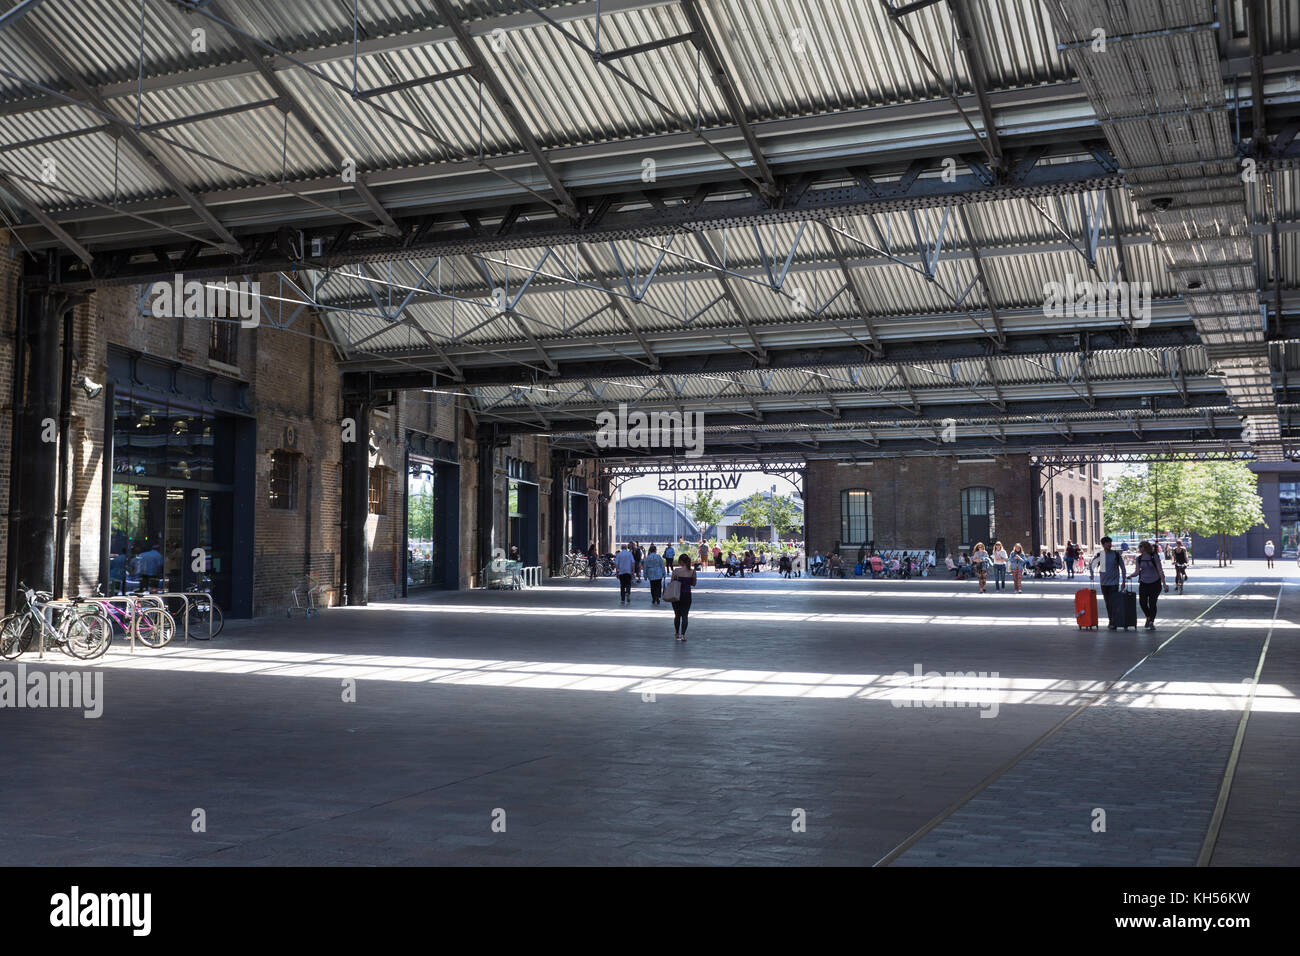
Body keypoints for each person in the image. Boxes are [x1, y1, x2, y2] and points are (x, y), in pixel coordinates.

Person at [1090, 536, 1128, 630]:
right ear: (1103, 545)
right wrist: (1092, 574)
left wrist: (1123, 581)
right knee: (1108, 603)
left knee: (1113, 602)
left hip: (1114, 583)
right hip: (1104, 583)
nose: (1110, 544)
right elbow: (1092, 565)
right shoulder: (1101, 555)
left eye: (1110, 543)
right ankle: (1111, 620)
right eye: (1107, 543)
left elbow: (1122, 568)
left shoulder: (1116, 554)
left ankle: (1114, 621)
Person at [1134, 540, 1167, 630]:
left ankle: (1152, 621)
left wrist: (1164, 584)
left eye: (1141, 546)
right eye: (1139, 547)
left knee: (1152, 602)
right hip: (1144, 583)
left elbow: (1160, 570)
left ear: (1145, 548)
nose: (1139, 548)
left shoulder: (1154, 557)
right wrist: (1130, 576)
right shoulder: (1139, 559)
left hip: (1155, 583)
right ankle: (1148, 616)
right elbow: (1137, 571)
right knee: (1142, 602)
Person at [668, 553, 697, 642]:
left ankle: (677, 633)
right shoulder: (692, 571)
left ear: (680, 561)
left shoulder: (676, 571)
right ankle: (683, 635)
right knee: (685, 615)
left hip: (676, 595)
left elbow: (672, 582)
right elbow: (694, 584)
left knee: (677, 615)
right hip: (687, 595)